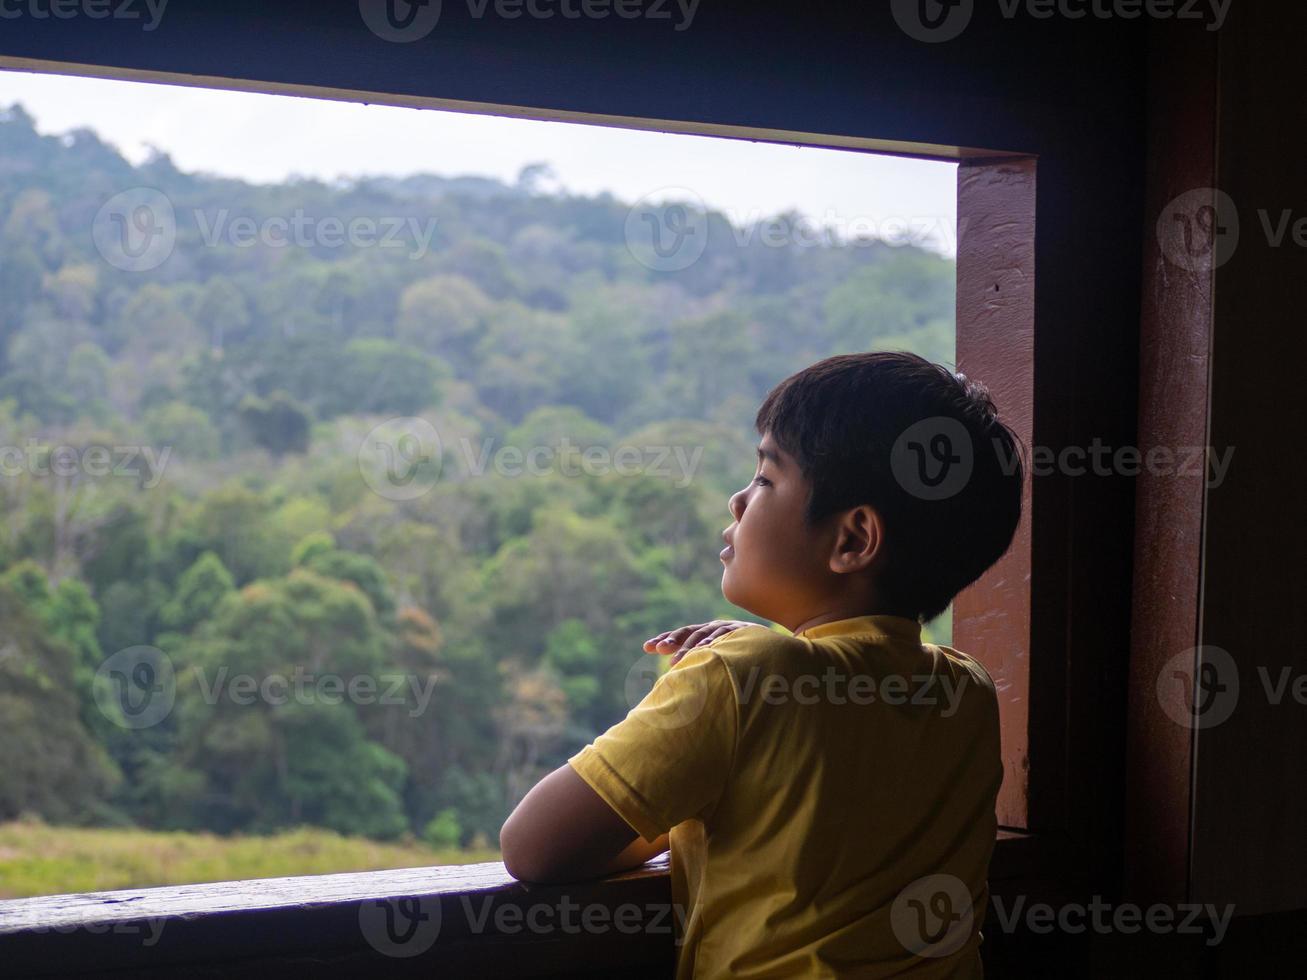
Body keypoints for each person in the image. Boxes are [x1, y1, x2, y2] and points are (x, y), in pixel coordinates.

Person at [500, 351, 1025, 978]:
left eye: (766, 478)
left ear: (853, 540)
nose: (737, 501)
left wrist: (741, 665)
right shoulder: (966, 690)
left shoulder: (741, 676)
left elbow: (533, 847)